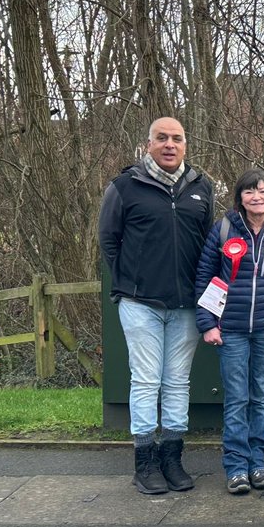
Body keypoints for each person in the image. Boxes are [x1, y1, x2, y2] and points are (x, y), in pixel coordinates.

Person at [99, 117, 214, 495]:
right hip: (140, 303)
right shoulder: (124, 186)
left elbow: (207, 244)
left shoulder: (202, 187)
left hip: (186, 305)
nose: (169, 144)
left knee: (178, 381)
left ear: (185, 144)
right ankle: (144, 462)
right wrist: (132, 281)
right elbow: (109, 241)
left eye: (176, 139)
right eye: (161, 138)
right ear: (148, 144)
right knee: (146, 380)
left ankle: (172, 458)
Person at [195, 169, 264, 494]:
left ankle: (258, 462)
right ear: (239, 197)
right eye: (249, 192)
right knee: (236, 399)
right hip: (231, 331)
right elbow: (205, 276)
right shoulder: (224, 229)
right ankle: (236, 467)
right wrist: (207, 323)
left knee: (260, 399)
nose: (256, 197)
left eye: (262, 191)